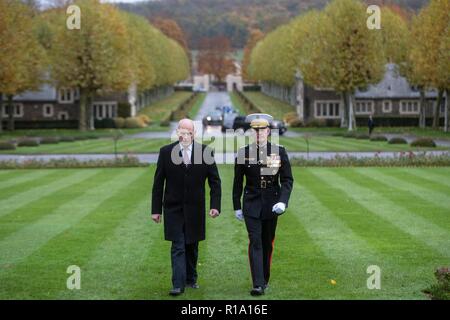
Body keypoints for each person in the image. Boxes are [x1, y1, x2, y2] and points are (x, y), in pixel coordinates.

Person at [151, 119, 221, 296]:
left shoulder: (205, 152)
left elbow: (215, 182)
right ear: (177, 132)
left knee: (192, 245)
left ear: (194, 134)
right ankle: (178, 284)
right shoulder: (166, 152)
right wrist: (156, 210)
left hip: (195, 209)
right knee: (178, 246)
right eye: (181, 131)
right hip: (173, 208)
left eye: (187, 132)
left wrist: (215, 206)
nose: (184, 135)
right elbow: (158, 183)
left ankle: (191, 279)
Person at [232, 114, 293, 296]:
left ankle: (264, 278)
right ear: (252, 132)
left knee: (267, 243)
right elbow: (237, 182)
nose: (259, 133)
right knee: (256, 241)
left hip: (271, 204)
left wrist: (283, 201)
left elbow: (287, 180)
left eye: (262, 130)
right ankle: (257, 284)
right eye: (255, 130)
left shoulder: (278, 151)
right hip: (251, 204)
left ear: (268, 131)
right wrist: (237, 206)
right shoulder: (244, 153)